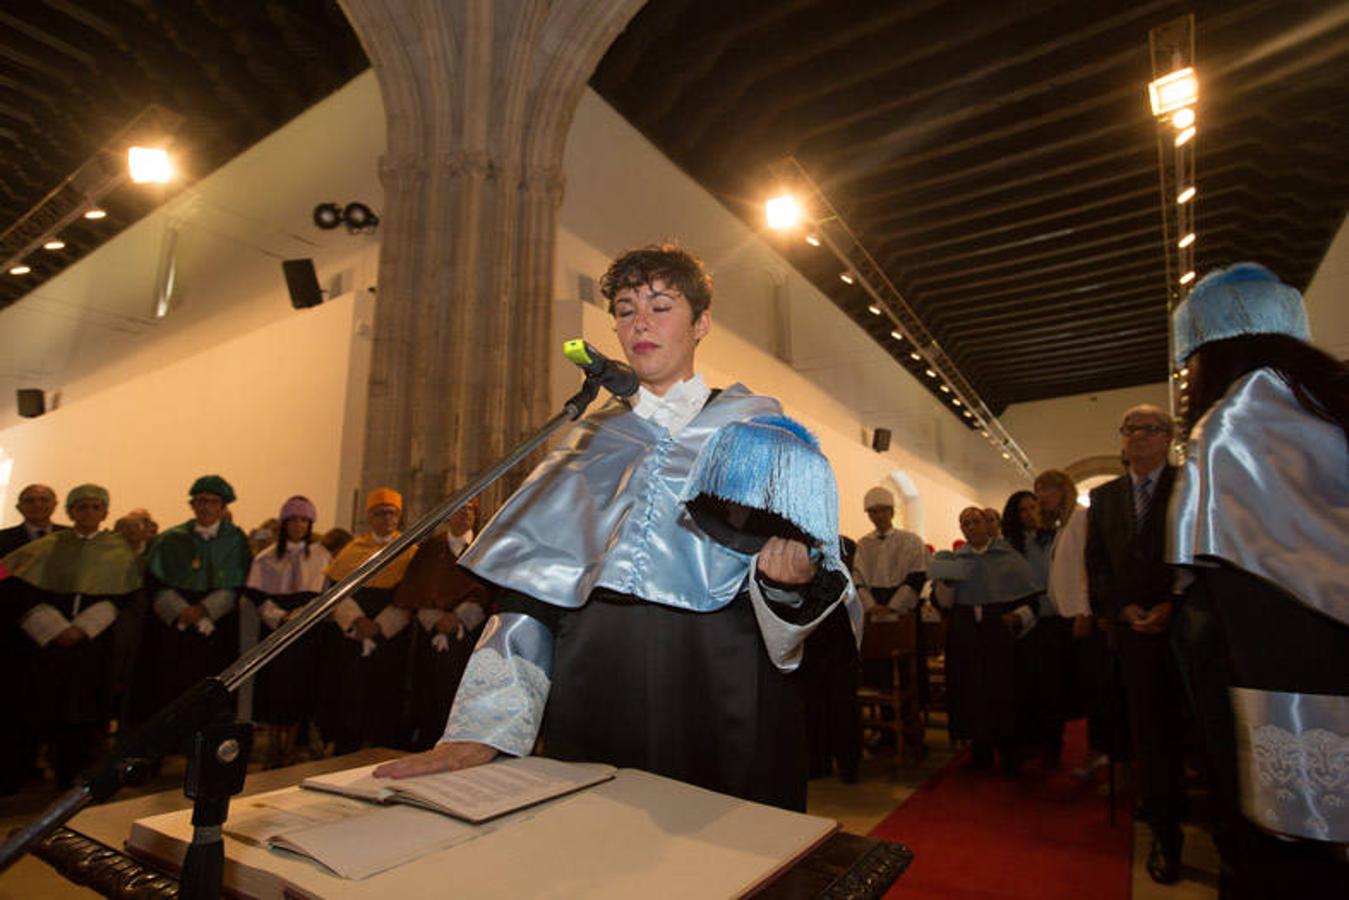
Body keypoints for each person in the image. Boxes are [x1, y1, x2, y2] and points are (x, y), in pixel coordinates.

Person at [374, 244, 857, 811]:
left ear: (701, 323)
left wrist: (786, 584)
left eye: (660, 306)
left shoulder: (759, 434)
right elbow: (531, 602)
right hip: (596, 680)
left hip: (718, 681)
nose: (640, 324)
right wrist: (484, 727)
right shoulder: (588, 440)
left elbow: (820, 582)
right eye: (626, 310)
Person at [1168, 263, 1348, 897]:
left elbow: (1237, 589)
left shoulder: (1236, 421)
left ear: (1209, 351)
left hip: (1284, 686)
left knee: (1287, 864)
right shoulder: (1325, 399)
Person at [1085, 405, 1187, 884]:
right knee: (1153, 737)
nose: (1140, 437)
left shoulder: (1189, 484)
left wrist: (1174, 603)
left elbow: (1206, 551)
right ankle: (1167, 841)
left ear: (1168, 438)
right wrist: (1121, 608)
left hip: (1189, 628)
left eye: (1151, 429)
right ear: (1121, 439)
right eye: (1131, 429)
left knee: (1202, 734)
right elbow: (1098, 564)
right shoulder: (1104, 497)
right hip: (1133, 633)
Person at [1, 485, 142, 787]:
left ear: (104, 512)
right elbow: (24, 589)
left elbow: (125, 596)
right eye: (81, 507)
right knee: (42, 707)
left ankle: (76, 775)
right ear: (69, 511)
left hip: (92, 643)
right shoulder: (49, 544)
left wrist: (84, 627)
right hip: (48, 641)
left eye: (95, 507)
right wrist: (54, 627)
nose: (88, 513)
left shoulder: (118, 550)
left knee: (85, 712)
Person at [931, 506, 1041, 775]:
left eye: (975, 521)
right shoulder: (957, 560)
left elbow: (1031, 601)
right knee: (971, 691)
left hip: (998, 632)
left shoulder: (1007, 556)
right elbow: (944, 603)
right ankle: (980, 752)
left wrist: (1016, 617)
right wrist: (944, 580)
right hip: (966, 631)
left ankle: (1009, 753)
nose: (970, 527)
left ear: (987, 524)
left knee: (1003, 691)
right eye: (964, 523)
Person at [136, 475, 252, 723]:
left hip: (217, 625)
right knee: (169, 682)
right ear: (192, 505)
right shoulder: (170, 538)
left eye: (212, 501)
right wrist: (181, 611)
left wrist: (205, 609)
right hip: (175, 624)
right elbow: (155, 582)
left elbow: (238, 583)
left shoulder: (236, 540)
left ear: (223, 507)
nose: (206, 507)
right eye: (200, 501)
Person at [319, 487, 419, 754]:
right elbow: (336, 591)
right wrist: (358, 621)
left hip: (392, 633)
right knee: (351, 689)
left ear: (399, 516)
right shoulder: (353, 549)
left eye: (392, 513)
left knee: (387, 692)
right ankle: (347, 745)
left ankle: (383, 745)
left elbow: (412, 592)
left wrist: (381, 625)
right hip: (355, 631)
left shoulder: (410, 550)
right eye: (380, 513)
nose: (386, 519)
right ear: (369, 517)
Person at [393, 499, 491, 750]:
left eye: (470, 509)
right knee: (429, 691)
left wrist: (460, 618)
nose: (465, 513)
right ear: (447, 515)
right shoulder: (428, 549)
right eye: (460, 508)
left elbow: (490, 591)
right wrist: (437, 620)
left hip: (470, 635)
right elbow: (415, 590)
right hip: (431, 633)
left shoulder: (484, 546)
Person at [245, 496, 332, 768]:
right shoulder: (266, 557)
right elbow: (256, 595)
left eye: (304, 520)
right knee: (274, 687)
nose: (298, 525)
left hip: (306, 631)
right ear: (284, 524)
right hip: (275, 629)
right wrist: (280, 617)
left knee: (300, 686)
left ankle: (293, 745)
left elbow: (324, 594)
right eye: (293, 520)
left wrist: (301, 617)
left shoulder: (322, 556)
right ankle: (273, 747)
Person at [852, 485, 927, 755]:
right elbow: (857, 579)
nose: (878, 516)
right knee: (877, 672)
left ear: (892, 511)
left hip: (902, 612)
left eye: (882, 510)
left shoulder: (911, 541)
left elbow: (916, 578)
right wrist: (871, 607)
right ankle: (884, 731)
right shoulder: (863, 544)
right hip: (873, 612)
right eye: (872, 511)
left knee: (905, 673)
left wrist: (893, 608)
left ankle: (910, 731)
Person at [1002, 489, 1068, 766]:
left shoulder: (1052, 540)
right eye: (1023, 509)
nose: (1029, 514)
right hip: (1020, 619)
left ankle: (1052, 744)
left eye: (1033, 507)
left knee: (1051, 686)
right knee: (1024, 686)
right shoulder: (1008, 546)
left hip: (1050, 618)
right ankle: (1027, 741)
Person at [0, 483, 67, 557]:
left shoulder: (71, 536)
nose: (37, 505)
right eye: (29, 501)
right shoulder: (3, 538)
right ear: (19, 507)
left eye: (44, 500)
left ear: (54, 504)